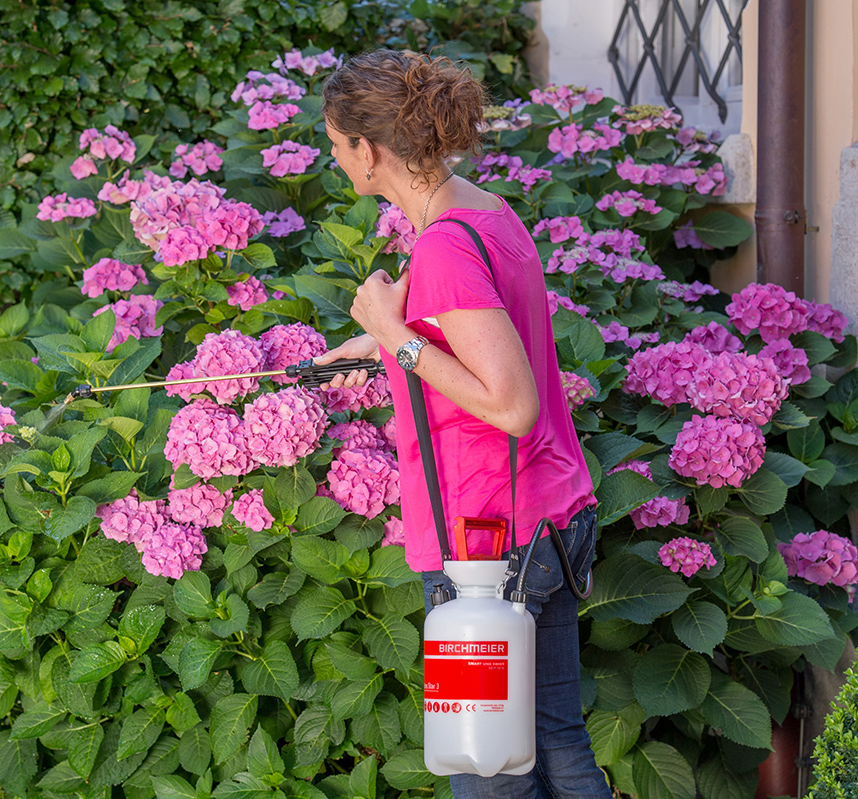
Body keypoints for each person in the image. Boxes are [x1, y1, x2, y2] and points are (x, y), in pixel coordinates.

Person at [313, 50, 611, 799]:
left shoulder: (441, 247)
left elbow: (512, 404)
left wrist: (400, 338)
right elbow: (467, 325)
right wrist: (384, 336)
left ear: (369, 150)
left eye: (335, 144)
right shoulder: (480, 210)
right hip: (546, 519)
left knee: (486, 770)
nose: (334, 158)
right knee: (556, 743)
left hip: (487, 548)